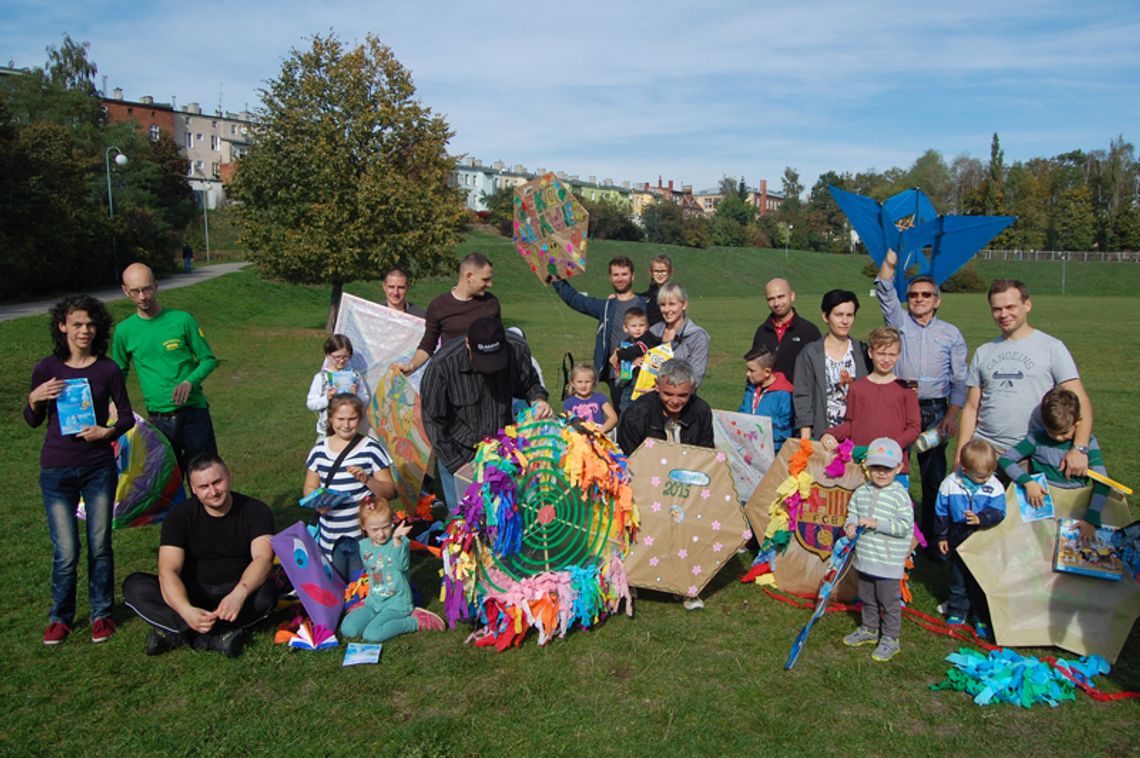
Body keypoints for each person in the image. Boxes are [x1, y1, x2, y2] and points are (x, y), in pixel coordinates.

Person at [26, 295, 135, 645]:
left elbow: (127, 416)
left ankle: (101, 614)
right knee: (66, 552)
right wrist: (34, 398)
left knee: (100, 546)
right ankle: (60, 618)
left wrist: (108, 432)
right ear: (62, 326)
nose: (84, 330)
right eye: (77, 324)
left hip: (97, 468)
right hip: (56, 470)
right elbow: (32, 420)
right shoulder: (46, 368)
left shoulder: (107, 370)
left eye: (90, 324)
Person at [122, 455, 276, 657]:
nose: (213, 491)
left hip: (235, 588)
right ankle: (212, 636)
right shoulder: (179, 516)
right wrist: (185, 609)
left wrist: (239, 594)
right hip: (190, 590)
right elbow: (168, 570)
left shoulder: (256, 511)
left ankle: (176, 632)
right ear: (193, 489)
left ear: (228, 476)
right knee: (135, 586)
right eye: (204, 486)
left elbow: (263, 559)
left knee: (267, 593)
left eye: (217, 482)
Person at [876, 249, 968, 556]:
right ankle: (893, 533)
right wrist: (892, 256)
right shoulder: (898, 321)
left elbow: (959, 378)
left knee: (933, 478)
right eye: (913, 294)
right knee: (892, 470)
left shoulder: (950, 333)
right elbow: (884, 288)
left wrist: (952, 414)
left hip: (935, 411)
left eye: (926, 294)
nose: (919, 299)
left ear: (937, 300)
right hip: (901, 406)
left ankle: (931, 538)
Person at [955, 279, 1094, 479]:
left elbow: (1080, 400)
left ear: (1027, 305)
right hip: (984, 454)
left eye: (1010, 307)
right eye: (997, 309)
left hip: (1030, 455)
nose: (1003, 314)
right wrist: (960, 457)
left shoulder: (1052, 347)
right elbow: (970, 408)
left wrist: (1080, 448)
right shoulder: (983, 352)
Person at [421, 317, 553, 509]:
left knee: (504, 512)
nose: (490, 369)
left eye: (496, 360)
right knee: (464, 517)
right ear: (468, 344)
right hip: (459, 449)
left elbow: (530, 384)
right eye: (484, 361)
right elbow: (433, 420)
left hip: (502, 448)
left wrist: (538, 400)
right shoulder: (443, 366)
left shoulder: (516, 349)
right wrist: (458, 465)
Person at [111, 262, 218, 475]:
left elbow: (208, 359)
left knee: (205, 476)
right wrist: (114, 402)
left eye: (147, 289)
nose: (143, 296)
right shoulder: (124, 331)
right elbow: (118, 373)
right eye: (135, 291)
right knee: (168, 481)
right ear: (126, 291)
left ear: (156, 285)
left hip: (194, 414)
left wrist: (190, 382)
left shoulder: (182, 320)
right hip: (158, 419)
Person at [303, 394, 397, 580]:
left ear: (360, 419)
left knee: (362, 584)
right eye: (340, 419)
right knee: (336, 585)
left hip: (363, 535)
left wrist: (367, 480)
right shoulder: (319, 450)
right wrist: (317, 502)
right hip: (330, 537)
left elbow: (389, 491)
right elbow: (310, 486)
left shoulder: (371, 448)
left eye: (352, 419)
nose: (346, 425)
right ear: (330, 418)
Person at [998, 388, 1111, 541]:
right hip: (1042, 510)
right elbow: (1006, 460)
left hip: (1077, 512)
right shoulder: (1036, 438)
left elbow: (1103, 481)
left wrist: (1091, 518)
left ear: (1078, 422)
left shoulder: (1089, 443)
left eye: (1064, 433)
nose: (1058, 438)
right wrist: (1027, 482)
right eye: (1052, 432)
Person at [841, 438, 914, 663]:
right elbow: (853, 512)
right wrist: (850, 525)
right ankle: (869, 628)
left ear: (899, 468)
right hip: (865, 558)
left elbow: (904, 526)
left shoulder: (899, 495)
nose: (881, 473)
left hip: (888, 562)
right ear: (868, 466)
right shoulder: (861, 492)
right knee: (867, 597)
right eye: (876, 467)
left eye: (887, 469)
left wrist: (877, 524)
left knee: (888, 601)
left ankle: (891, 638)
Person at [821, 327, 921, 487]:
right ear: (870, 353)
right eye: (881, 353)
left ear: (898, 355)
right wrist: (830, 433)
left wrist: (890, 448)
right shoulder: (857, 388)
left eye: (892, 354)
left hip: (894, 468)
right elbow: (851, 424)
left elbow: (914, 428)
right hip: (862, 466)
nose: (886, 359)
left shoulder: (906, 390)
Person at [340, 499, 445, 642]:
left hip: (397, 604)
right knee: (348, 629)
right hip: (374, 602)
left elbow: (400, 566)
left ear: (392, 522)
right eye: (375, 529)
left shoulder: (400, 542)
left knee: (372, 634)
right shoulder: (364, 546)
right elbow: (372, 571)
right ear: (364, 527)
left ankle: (415, 621)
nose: (381, 534)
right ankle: (370, 612)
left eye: (385, 527)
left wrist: (396, 539)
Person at [551, 256, 646, 405]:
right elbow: (575, 300)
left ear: (633, 276)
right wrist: (554, 275)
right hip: (616, 374)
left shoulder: (645, 304)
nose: (620, 278)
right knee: (621, 415)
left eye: (624, 274)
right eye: (615, 275)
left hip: (643, 371)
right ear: (610, 278)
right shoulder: (606, 307)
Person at [934, 439, 1005, 638]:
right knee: (958, 576)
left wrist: (982, 518)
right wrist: (941, 536)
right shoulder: (950, 484)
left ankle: (980, 616)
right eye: (981, 476)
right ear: (965, 470)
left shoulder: (994, 486)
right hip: (957, 533)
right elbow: (941, 512)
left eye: (989, 474)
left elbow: (1000, 511)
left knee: (979, 579)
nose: (986, 479)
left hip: (983, 536)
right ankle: (957, 610)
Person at [397, 253, 499, 375]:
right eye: (485, 279)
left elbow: (498, 342)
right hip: (452, 376)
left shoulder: (491, 303)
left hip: (486, 377)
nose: (490, 284)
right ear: (469, 276)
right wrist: (411, 366)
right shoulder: (439, 306)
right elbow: (428, 345)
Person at [792, 289, 870, 439]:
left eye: (850, 315)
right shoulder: (810, 353)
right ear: (825, 317)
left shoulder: (863, 351)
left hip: (856, 436)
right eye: (839, 315)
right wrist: (805, 437)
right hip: (823, 435)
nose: (845, 321)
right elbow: (803, 396)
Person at [617, 359, 714, 454]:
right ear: (657, 385)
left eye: (682, 395)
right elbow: (627, 455)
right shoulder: (636, 414)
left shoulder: (701, 411)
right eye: (668, 394)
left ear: (692, 389)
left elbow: (706, 453)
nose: (675, 401)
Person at [750, 278, 821, 385]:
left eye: (781, 297)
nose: (776, 303)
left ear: (792, 296)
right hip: (768, 394)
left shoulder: (809, 331)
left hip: (797, 394)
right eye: (771, 299)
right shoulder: (762, 331)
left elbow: (819, 371)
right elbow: (754, 368)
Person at [305, 334, 372, 443]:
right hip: (326, 432)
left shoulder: (355, 376)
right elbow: (311, 404)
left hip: (350, 431)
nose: (341, 360)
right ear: (328, 355)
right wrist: (326, 399)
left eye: (345, 357)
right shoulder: (321, 377)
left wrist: (356, 396)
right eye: (337, 357)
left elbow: (365, 399)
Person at [649, 282, 711, 387]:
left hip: (680, 394)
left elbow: (696, 377)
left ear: (684, 305)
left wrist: (661, 389)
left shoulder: (697, 336)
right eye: (663, 305)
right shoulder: (653, 331)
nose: (667, 310)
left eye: (672, 304)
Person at [738, 346, 794, 451]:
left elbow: (785, 428)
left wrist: (758, 427)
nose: (748, 374)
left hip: (772, 450)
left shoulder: (784, 394)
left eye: (752, 370)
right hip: (747, 446)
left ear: (767, 372)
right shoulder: (751, 389)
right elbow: (743, 411)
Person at [610, 307, 662, 413]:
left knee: (641, 406)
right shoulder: (626, 342)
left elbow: (638, 349)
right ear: (625, 328)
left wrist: (619, 354)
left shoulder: (646, 338)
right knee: (625, 404)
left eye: (641, 325)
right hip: (628, 379)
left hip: (643, 379)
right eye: (633, 326)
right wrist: (622, 361)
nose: (638, 329)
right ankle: (625, 419)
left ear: (647, 326)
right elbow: (617, 361)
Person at [563, 363, 618, 433]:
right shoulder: (568, 402)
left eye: (587, 382)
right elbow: (567, 424)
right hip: (578, 436)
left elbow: (613, 418)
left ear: (593, 382)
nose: (583, 385)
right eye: (579, 382)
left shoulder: (600, 398)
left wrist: (601, 430)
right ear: (572, 383)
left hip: (598, 435)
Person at [639, 253, 673, 326]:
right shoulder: (650, 293)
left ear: (670, 272)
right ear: (650, 272)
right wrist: (620, 296)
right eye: (656, 271)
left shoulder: (674, 293)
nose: (659, 275)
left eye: (663, 271)